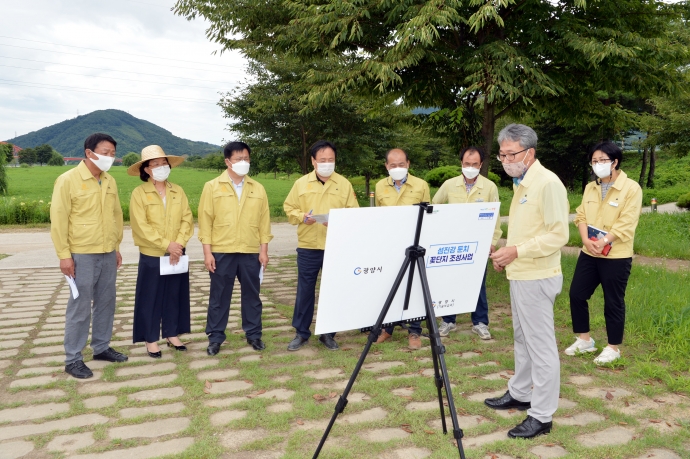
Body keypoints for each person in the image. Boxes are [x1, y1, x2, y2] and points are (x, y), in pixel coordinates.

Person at [484, 124, 569, 439]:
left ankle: (542, 415)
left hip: (537, 276)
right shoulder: (522, 183)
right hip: (520, 273)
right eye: (502, 154)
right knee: (521, 337)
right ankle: (520, 391)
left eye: (511, 154)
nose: (505, 160)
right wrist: (504, 250)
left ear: (529, 153)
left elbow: (558, 234)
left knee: (542, 348)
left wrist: (516, 251)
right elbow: (527, 229)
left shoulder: (547, 184)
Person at [50, 133, 127, 379]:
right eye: (105, 152)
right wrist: (64, 256)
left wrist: (116, 246)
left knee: (106, 302)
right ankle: (73, 359)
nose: (110, 157)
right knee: (80, 307)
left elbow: (116, 216)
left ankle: (101, 347)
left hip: (107, 252)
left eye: (113, 153)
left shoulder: (110, 181)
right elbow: (59, 220)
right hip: (81, 253)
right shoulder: (68, 180)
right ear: (89, 153)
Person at [566, 142, 642, 364]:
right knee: (577, 294)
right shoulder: (591, 187)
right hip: (589, 251)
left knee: (613, 301)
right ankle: (585, 340)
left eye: (602, 160)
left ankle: (613, 348)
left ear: (615, 162)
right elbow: (580, 216)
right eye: (594, 161)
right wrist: (585, 241)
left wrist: (605, 241)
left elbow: (627, 223)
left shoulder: (631, 188)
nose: (597, 164)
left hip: (616, 255)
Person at [284, 140, 359, 351]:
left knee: (332, 290)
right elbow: (289, 207)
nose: (327, 163)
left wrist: (338, 221)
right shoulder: (301, 183)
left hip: (335, 246)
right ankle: (301, 333)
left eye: (331, 160)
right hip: (308, 245)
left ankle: (328, 333)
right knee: (305, 290)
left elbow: (354, 213)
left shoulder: (343, 184)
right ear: (313, 161)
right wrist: (302, 216)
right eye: (323, 160)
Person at [198, 141, 273, 355]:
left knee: (252, 294)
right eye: (239, 159)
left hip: (250, 250)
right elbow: (205, 221)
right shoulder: (212, 187)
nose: (243, 162)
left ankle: (254, 334)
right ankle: (215, 337)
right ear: (227, 161)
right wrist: (207, 252)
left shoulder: (257, 188)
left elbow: (264, 222)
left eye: (246, 158)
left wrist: (264, 250)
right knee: (219, 296)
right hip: (222, 250)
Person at [128, 145, 194, 358]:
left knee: (175, 294)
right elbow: (141, 226)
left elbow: (187, 219)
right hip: (153, 253)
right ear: (146, 169)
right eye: (155, 164)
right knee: (150, 297)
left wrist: (179, 244)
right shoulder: (139, 193)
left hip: (177, 251)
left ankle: (172, 333)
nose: (160, 167)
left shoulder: (178, 191)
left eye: (163, 163)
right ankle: (150, 339)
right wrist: (167, 245)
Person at [432, 146, 502, 340]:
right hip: (452, 243)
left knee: (478, 283)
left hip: (479, 243)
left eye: (474, 164)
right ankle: (448, 320)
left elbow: (495, 217)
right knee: (450, 280)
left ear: (481, 164)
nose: (470, 167)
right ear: (461, 164)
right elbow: (433, 208)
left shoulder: (489, 187)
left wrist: (492, 241)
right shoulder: (449, 185)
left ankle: (480, 322)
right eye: (466, 164)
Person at [372, 148, 430, 350]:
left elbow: (427, 215)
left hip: (413, 242)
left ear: (408, 164)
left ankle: (415, 331)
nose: (398, 168)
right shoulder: (380, 186)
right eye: (393, 165)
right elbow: (377, 216)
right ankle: (387, 329)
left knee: (414, 287)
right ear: (387, 166)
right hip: (389, 243)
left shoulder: (421, 185)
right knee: (390, 285)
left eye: (401, 164)